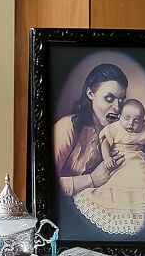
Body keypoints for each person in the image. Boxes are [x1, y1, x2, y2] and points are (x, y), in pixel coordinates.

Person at [73, 99, 145, 234]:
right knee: (118, 185)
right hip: (120, 161)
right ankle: (121, 213)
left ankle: (139, 212)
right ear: (120, 117)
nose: (131, 123)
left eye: (136, 121)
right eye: (127, 118)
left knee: (144, 180)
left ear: (143, 122)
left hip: (139, 161)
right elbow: (105, 144)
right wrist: (107, 158)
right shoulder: (115, 128)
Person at [54, 63, 129, 197]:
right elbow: (44, 181)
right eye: (109, 98)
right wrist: (91, 179)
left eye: (121, 100)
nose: (117, 108)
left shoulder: (117, 133)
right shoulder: (68, 126)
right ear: (90, 94)